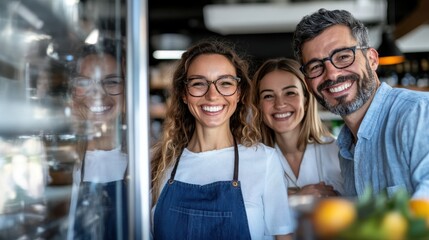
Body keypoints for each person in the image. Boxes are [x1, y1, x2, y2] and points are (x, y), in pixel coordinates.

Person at [150, 39, 294, 240]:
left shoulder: (265, 160)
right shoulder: (158, 162)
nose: (212, 95)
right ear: (184, 94)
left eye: (225, 83)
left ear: (239, 93)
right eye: (199, 83)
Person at [293, 8, 429, 199]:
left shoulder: (420, 114)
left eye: (343, 57)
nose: (332, 74)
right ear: (308, 83)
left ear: (372, 59)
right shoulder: (346, 151)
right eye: (316, 66)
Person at [253, 57, 343, 197]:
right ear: (258, 105)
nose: (280, 104)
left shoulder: (338, 152)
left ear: (306, 100)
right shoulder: (252, 160)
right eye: (268, 96)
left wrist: (278, 197)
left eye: (290, 93)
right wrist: (297, 196)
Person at [67, 38, 128, 239]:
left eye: (111, 81)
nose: (98, 94)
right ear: (73, 93)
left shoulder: (151, 162)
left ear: (129, 91)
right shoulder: (60, 164)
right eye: (84, 82)